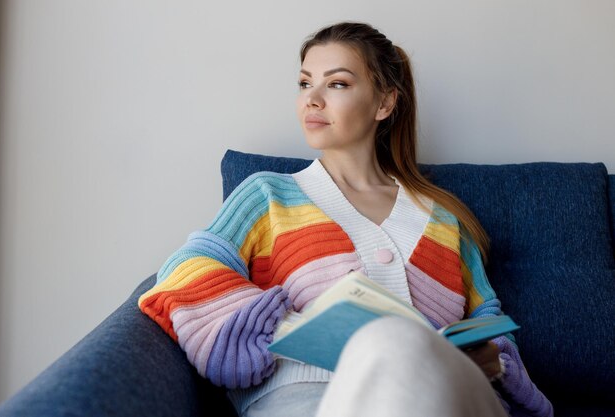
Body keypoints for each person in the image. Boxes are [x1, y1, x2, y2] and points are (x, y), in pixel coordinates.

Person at [138, 21, 553, 417]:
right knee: (387, 341)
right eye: (304, 83)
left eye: (336, 83)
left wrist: (491, 359)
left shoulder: (443, 220)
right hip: (306, 398)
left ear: (385, 102)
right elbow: (185, 269)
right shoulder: (267, 195)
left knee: (401, 346)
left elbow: (488, 320)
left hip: (441, 395)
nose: (312, 99)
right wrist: (282, 325)